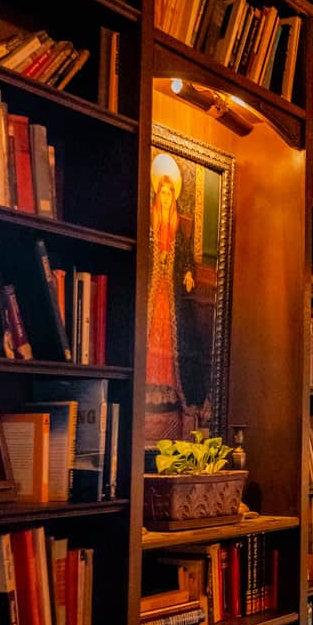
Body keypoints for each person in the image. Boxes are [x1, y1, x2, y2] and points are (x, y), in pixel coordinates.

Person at [146, 157, 199, 442]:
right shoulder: (152, 223)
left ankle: (167, 385)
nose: (166, 198)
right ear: (157, 194)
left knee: (169, 339)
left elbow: (186, 257)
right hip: (155, 287)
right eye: (162, 193)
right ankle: (151, 384)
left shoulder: (180, 227)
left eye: (169, 193)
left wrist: (189, 272)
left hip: (170, 291)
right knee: (152, 335)